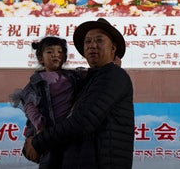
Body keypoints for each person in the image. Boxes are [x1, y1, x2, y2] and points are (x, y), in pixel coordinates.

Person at [24, 18, 134, 169]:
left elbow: (84, 121)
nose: (92, 45)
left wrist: (38, 142)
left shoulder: (113, 75)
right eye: (88, 42)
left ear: (113, 48)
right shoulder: (83, 80)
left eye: (99, 40)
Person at [10, 37, 85, 169]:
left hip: (69, 132)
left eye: (60, 51)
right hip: (47, 132)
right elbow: (29, 107)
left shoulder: (74, 76)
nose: (56, 54)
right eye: (50, 52)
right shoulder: (35, 82)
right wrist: (40, 127)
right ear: (40, 58)